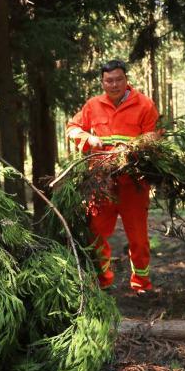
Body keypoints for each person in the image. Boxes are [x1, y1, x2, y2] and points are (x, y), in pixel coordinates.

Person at [66, 59, 160, 292]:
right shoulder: (92, 105)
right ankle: (102, 283)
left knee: (138, 238)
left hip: (134, 184)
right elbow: (72, 128)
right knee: (96, 233)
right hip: (100, 183)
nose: (114, 84)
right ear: (102, 81)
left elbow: (155, 136)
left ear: (126, 79)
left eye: (118, 79)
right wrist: (88, 139)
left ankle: (142, 285)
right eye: (109, 80)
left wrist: (133, 149)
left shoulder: (144, 104)